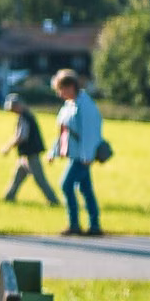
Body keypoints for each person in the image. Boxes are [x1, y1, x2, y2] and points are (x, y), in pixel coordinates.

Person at [55, 65, 109, 237]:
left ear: (71, 87)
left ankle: (74, 224)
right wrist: (55, 151)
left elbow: (90, 132)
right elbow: (63, 130)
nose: (59, 93)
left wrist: (87, 155)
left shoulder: (85, 105)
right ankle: (94, 225)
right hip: (75, 155)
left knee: (66, 185)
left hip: (83, 156)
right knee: (86, 190)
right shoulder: (69, 105)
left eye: (61, 89)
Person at [4, 93, 55, 206]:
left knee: (40, 179)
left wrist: (8, 147)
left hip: (30, 154)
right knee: (17, 177)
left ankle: (53, 200)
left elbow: (21, 136)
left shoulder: (24, 117)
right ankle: (9, 197)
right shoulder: (26, 115)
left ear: (17, 105)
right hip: (25, 154)